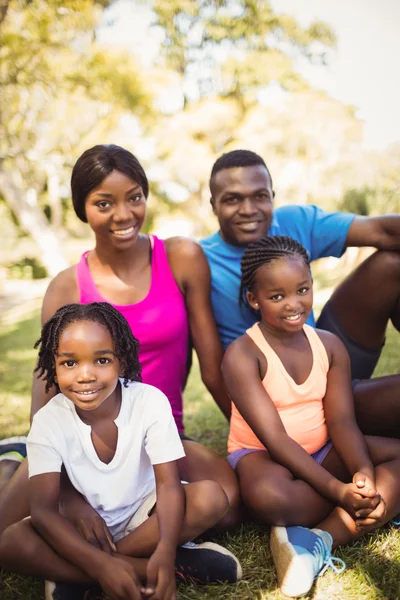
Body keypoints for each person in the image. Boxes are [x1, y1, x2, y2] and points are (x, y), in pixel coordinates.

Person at [0, 145, 240, 542]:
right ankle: (15, 462)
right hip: (80, 441)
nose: (124, 214)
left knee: (228, 504)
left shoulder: (181, 257)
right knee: (6, 529)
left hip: (161, 434)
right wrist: (66, 488)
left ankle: (122, 556)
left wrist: (252, 436)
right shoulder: (67, 285)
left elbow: (212, 367)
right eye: (104, 203)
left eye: (134, 197)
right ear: (82, 209)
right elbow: (47, 384)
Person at [0, 303, 242, 600]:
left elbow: (168, 485)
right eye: (69, 363)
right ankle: (141, 568)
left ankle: (85, 574)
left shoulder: (148, 402)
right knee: (11, 542)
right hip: (80, 530)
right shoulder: (49, 421)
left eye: (101, 360)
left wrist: (164, 552)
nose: (85, 375)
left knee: (210, 497)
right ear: (53, 365)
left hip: (143, 518)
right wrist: (102, 566)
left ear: (122, 362)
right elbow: (44, 512)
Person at [222, 235, 400, 597]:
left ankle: (320, 537)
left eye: (302, 290)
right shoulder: (242, 356)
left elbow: (342, 422)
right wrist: (338, 489)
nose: (293, 304)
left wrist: (362, 473)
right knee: (271, 498)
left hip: (322, 449)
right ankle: (364, 507)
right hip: (263, 457)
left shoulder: (329, 345)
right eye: (277, 296)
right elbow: (274, 439)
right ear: (253, 299)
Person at [200, 149, 400, 438]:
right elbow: (211, 370)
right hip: (288, 403)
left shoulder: (294, 221)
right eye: (232, 199)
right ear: (213, 205)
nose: (248, 209)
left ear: (272, 195)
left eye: (259, 196)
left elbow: (383, 231)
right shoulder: (201, 261)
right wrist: (256, 431)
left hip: (326, 357)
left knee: (391, 264)